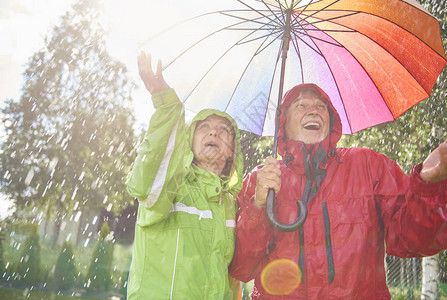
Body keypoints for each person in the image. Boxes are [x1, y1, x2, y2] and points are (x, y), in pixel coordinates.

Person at [229, 83, 447, 299]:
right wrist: (258, 205)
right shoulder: (261, 180)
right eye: (301, 106)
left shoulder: (368, 166)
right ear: (283, 124)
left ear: (330, 121)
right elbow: (241, 268)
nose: (313, 110)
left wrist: (428, 185)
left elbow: (414, 239)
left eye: (321, 107)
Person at [126, 52, 244, 299]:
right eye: (204, 128)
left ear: (233, 150)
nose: (213, 134)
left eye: (224, 131)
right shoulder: (172, 186)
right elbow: (144, 183)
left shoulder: (235, 206)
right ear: (189, 141)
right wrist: (168, 106)